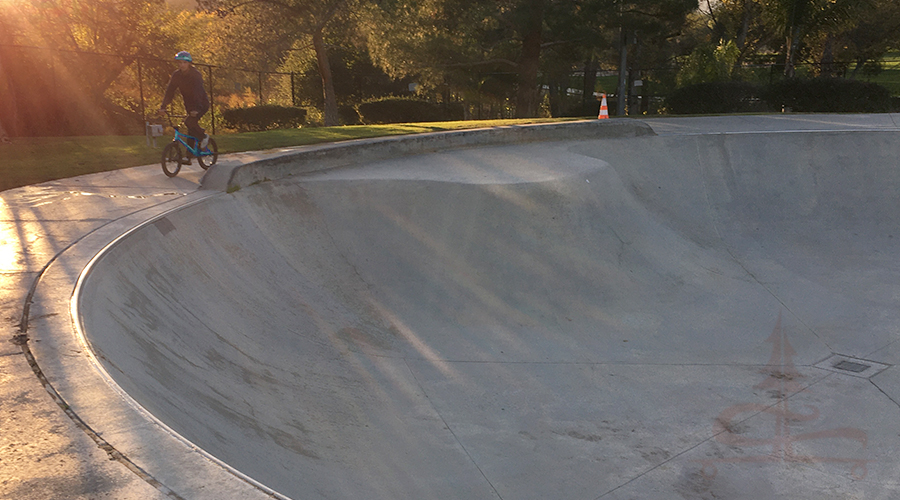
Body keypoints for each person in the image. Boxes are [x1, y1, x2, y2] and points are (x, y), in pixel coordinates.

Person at [158, 51, 209, 153]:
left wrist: (197, 108)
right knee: (190, 129)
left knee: (189, 122)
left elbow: (198, 92)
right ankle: (189, 156)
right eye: (180, 63)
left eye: (184, 63)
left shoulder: (195, 75)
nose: (182, 65)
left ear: (189, 63)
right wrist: (163, 106)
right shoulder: (176, 75)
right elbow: (170, 91)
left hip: (201, 104)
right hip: (189, 105)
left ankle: (204, 136)